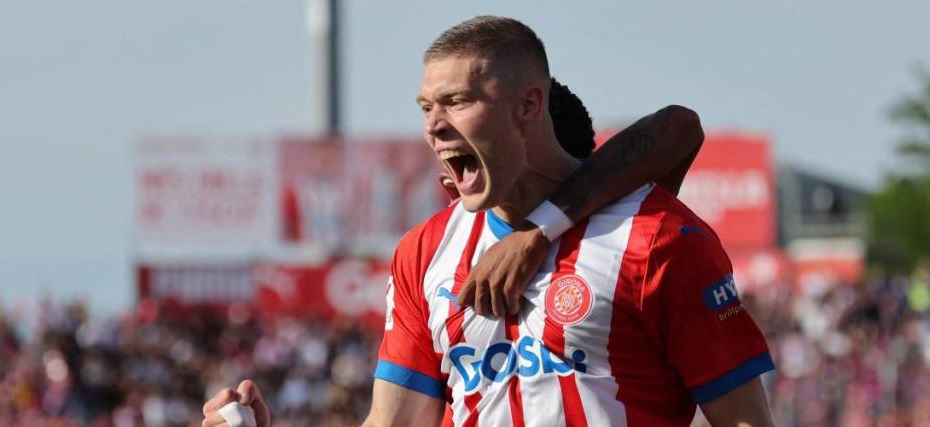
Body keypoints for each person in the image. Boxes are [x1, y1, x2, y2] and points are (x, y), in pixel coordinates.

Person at [205, 16, 774, 427]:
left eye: (455, 101)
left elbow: (745, 420)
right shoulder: (424, 254)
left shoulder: (657, 239)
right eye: (426, 108)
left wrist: (541, 230)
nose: (434, 125)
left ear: (529, 105)